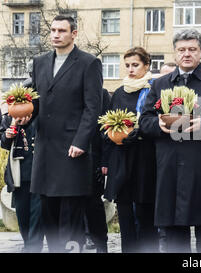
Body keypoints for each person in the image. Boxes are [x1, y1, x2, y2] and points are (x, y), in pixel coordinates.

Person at [139, 29, 201, 253]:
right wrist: (159, 126)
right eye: (181, 50)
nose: (187, 54)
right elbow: (144, 120)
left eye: (192, 49)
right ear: (174, 52)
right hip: (170, 167)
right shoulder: (160, 84)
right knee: (173, 235)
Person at [28, 15, 103, 252]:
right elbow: (36, 100)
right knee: (48, 213)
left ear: (74, 33)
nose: (55, 34)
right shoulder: (39, 61)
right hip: (46, 149)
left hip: (73, 151)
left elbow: (93, 107)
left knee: (70, 217)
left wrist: (81, 141)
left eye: (61, 30)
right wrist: (24, 114)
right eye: (52, 30)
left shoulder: (89, 63)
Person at [103, 47, 159, 253]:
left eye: (135, 65)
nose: (130, 69)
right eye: (127, 65)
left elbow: (158, 121)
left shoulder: (154, 89)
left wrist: (141, 132)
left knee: (145, 212)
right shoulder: (119, 92)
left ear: (146, 65)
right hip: (122, 156)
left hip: (146, 158)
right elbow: (107, 124)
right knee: (125, 211)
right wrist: (114, 137)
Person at [0, 112, 44, 253]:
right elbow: (5, 144)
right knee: (22, 212)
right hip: (19, 172)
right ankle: (28, 244)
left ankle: (34, 247)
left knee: (38, 212)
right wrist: (13, 125)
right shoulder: (10, 117)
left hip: (41, 171)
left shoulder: (42, 113)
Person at [83, 88, 111, 253]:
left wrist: (105, 161)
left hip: (94, 158)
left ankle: (101, 245)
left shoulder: (101, 94)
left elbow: (106, 130)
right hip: (68, 157)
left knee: (93, 205)